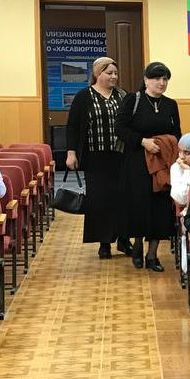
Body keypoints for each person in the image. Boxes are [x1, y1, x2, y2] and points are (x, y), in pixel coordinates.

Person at [114, 61, 182, 271]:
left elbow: (177, 133)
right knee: (138, 204)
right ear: (146, 80)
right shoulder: (132, 100)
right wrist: (143, 141)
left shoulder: (171, 104)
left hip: (162, 163)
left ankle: (152, 254)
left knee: (160, 207)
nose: (161, 83)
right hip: (137, 162)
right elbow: (120, 128)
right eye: (156, 78)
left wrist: (170, 149)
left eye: (165, 79)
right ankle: (136, 244)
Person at [64, 57, 127, 259]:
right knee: (100, 200)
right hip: (95, 158)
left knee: (122, 198)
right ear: (97, 74)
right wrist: (71, 152)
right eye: (109, 73)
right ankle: (104, 243)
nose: (114, 77)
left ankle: (123, 239)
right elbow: (73, 126)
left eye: (115, 73)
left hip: (121, 156)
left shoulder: (122, 95)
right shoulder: (84, 96)